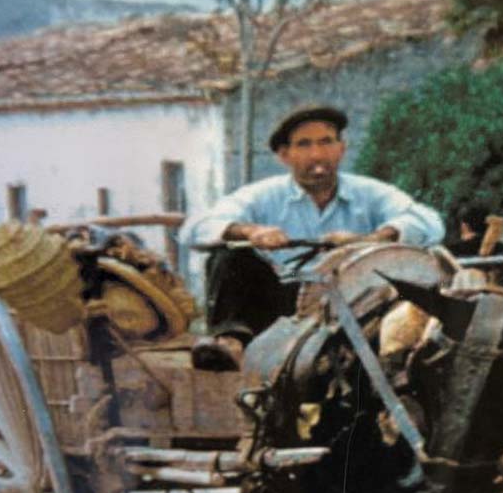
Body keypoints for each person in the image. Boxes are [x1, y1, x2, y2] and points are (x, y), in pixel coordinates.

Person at [180, 103, 445, 370]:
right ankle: (231, 342)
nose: (317, 154)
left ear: (341, 149)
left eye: (326, 142)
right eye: (304, 145)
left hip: (355, 308)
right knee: (228, 255)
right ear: (284, 155)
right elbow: (194, 229)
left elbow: (429, 222)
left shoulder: (370, 193)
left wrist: (373, 238)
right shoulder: (262, 195)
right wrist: (251, 231)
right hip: (281, 308)